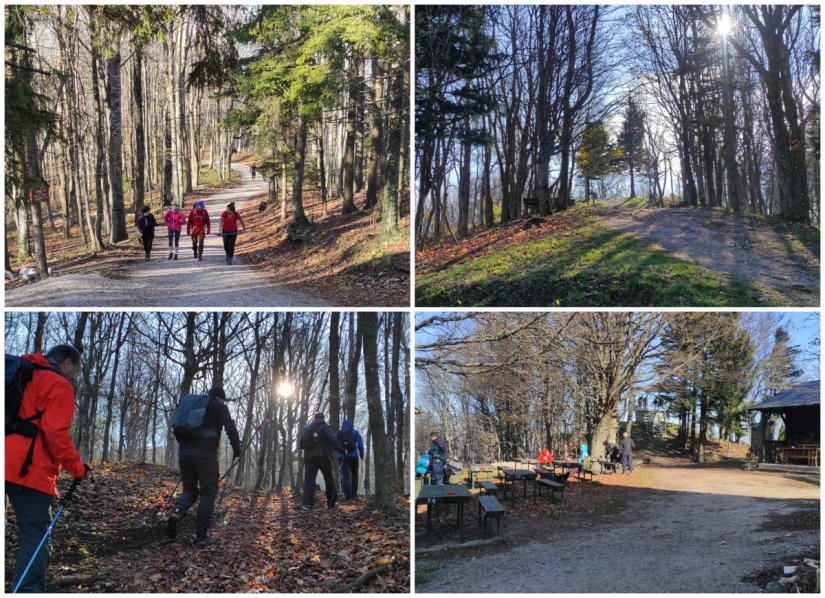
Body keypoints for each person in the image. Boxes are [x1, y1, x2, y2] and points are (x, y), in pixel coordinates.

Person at [5, 345, 92, 593]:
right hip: (28, 471)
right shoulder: (58, 385)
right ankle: (28, 591)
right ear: (66, 362)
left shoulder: (22, 374)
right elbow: (55, 434)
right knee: (35, 534)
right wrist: (78, 468)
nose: (75, 375)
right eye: (76, 369)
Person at [167, 387, 241, 547]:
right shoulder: (219, 406)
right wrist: (237, 450)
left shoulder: (195, 405)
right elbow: (230, 428)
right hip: (205, 454)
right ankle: (201, 537)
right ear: (220, 398)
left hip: (184, 452)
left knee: (189, 490)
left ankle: (176, 513)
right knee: (208, 493)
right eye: (224, 400)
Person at [300, 412, 346, 511]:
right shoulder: (325, 427)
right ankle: (331, 504)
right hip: (322, 456)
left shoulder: (308, 428)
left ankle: (307, 504)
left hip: (309, 458)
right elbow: (333, 440)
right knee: (329, 479)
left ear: (314, 418)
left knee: (309, 481)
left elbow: (302, 443)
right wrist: (342, 450)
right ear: (323, 418)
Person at [335, 420, 365, 501]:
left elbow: (334, 443)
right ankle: (354, 494)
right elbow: (360, 445)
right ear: (351, 425)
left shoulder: (338, 433)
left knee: (345, 476)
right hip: (353, 456)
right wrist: (361, 454)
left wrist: (338, 453)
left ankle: (348, 496)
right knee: (354, 475)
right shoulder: (355, 432)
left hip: (342, 456)